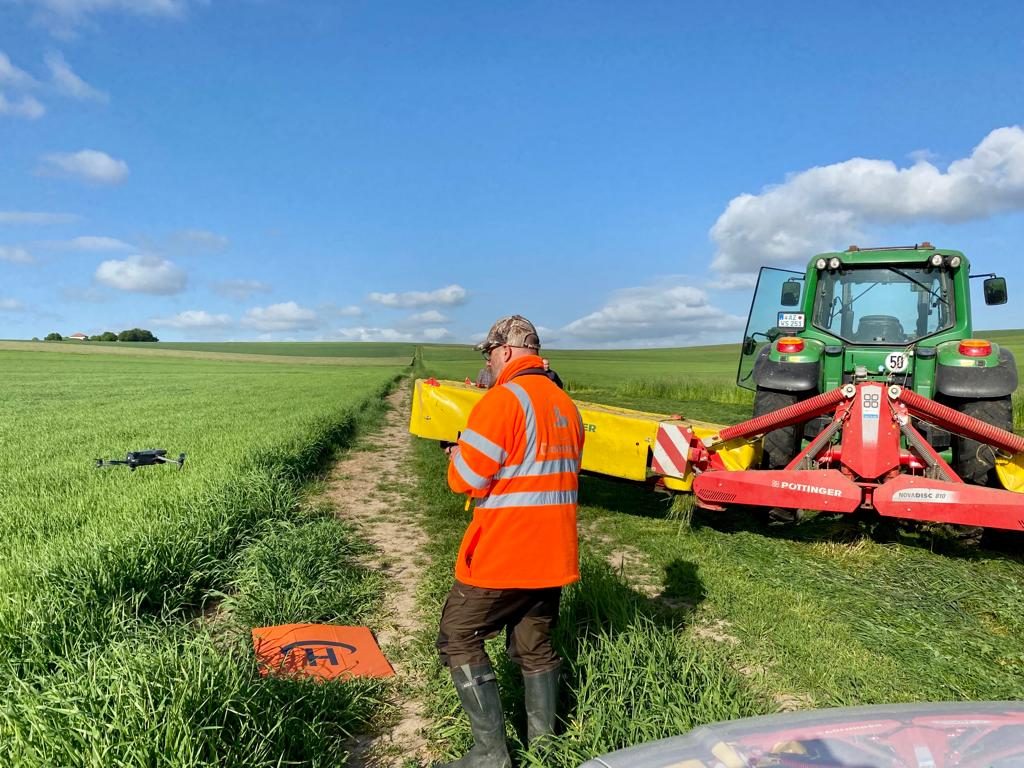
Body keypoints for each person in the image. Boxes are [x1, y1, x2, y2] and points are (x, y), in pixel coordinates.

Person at [437, 315, 584, 767]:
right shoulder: (565, 405)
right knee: (533, 647)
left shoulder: (502, 401)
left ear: (503, 351)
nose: (488, 363)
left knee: (458, 636)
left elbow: (466, 480)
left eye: (488, 354)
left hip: (506, 551)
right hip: (552, 553)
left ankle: (490, 755)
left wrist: (458, 451)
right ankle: (544, 750)